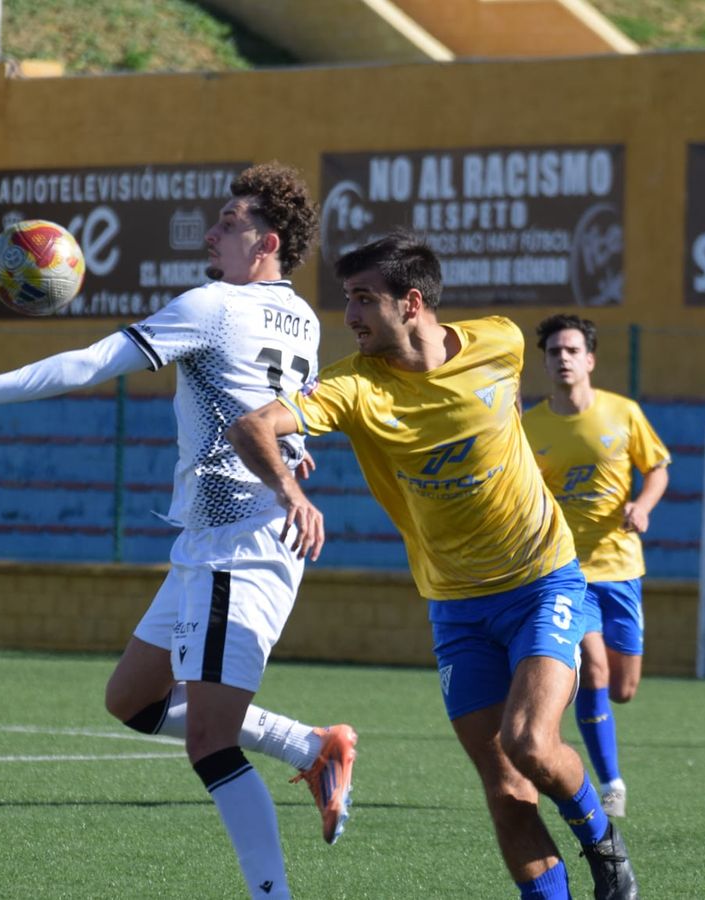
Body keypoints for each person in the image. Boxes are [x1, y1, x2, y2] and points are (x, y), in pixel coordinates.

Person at [0, 162, 356, 900]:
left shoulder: (215, 304)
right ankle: (313, 748)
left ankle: (273, 890)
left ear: (266, 242)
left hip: (238, 546)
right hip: (218, 542)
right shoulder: (304, 319)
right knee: (134, 700)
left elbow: (91, 364)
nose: (212, 233)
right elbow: (281, 408)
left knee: (209, 739)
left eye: (229, 222)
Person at [229, 231, 637, 900]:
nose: (350, 316)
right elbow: (252, 427)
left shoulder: (500, 343)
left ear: (411, 302)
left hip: (542, 581)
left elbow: (501, 407)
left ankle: (603, 845)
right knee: (505, 785)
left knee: (531, 741)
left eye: (365, 299)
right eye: (347, 300)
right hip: (455, 607)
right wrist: (291, 493)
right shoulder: (354, 386)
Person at [521, 314, 669, 819]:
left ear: (589, 359)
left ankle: (585, 740)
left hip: (622, 567)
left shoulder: (623, 414)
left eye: (570, 350)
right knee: (594, 669)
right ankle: (611, 783)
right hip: (565, 570)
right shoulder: (529, 426)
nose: (561, 358)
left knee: (623, 688)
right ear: (544, 362)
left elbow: (658, 468)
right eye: (553, 352)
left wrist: (643, 505)